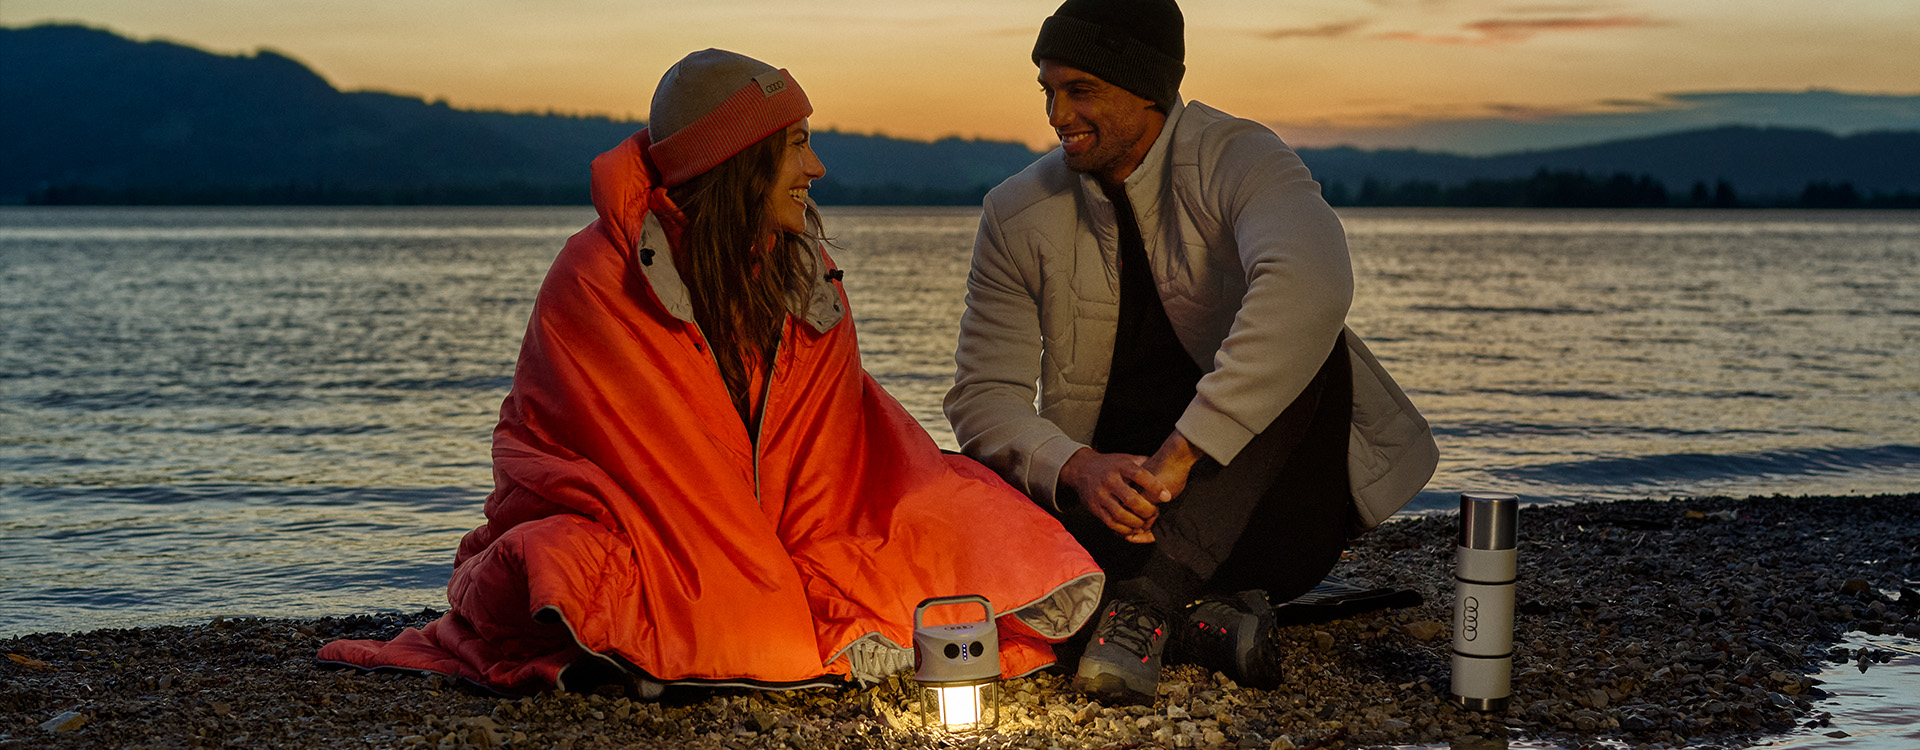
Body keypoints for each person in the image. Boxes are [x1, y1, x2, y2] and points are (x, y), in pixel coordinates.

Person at [319, 49, 1102, 696]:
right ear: (738, 160)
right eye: (796, 145)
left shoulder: (804, 275)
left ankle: (767, 612)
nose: (817, 168)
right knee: (575, 568)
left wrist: (808, 573)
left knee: (962, 519)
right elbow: (648, 467)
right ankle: (757, 617)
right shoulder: (597, 279)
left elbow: (829, 458)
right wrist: (776, 587)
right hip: (639, 516)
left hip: (777, 523)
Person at [944, 0, 1438, 702]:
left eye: (1080, 90)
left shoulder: (1241, 157)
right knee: (944, 474)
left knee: (1307, 341)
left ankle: (1148, 603)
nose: (1057, 115)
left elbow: (1313, 285)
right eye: (1047, 90)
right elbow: (982, 394)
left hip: (1267, 513)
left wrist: (1182, 454)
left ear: (1148, 89)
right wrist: (1077, 467)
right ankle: (1196, 625)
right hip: (1117, 516)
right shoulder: (1017, 212)